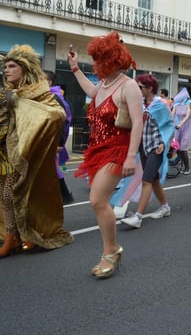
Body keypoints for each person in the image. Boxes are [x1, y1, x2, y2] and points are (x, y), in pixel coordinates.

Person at [68, 33, 143, 278]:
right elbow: (91, 89)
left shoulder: (128, 85)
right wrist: (75, 68)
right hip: (98, 149)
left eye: (101, 57)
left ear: (114, 57)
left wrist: (131, 155)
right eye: (95, 58)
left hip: (118, 149)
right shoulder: (103, 84)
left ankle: (111, 251)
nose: (97, 63)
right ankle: (111, 249)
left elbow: (138, 123)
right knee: (98, 201)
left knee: (97, 200)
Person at [0, 45, 73, 257]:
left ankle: (24, 235)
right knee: (6, 195)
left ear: (24, 68)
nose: (7, 70)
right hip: (4, 151)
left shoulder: (39, 92)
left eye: (12, 66)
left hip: (25, 153)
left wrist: (20, 105)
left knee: (13, 195)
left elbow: (55, 115)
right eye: (5, 66)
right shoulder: (6, 91)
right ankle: (15, 236)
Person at [120, 74, 174, 229]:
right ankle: (165, 207)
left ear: (150, 88)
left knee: (146, 180)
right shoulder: (140, 104)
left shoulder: (160, 104)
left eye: (140, 87)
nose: (138, 90)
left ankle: (138, 217)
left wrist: (164, 142)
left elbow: (169, 124)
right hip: (143, 146)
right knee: (154, 179)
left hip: (156, 147)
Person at [44, 70, 75, 205]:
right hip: (47, 138)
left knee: (52, 167)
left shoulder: (54, 97)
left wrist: (60, 142)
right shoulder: (47, 96)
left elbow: (62, 120)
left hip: (52, 139)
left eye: (40, 78)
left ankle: (65, 195)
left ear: (49, 82)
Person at [171, 87, 191, 175]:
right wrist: (171, 123)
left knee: (183, 148)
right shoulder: (176, 104)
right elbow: (172, 115)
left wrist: (180, 125)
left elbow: (188, 116)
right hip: (178, 127)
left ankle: (187, 167)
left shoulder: (189, 103)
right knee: (176, 147)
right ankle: (181, 161)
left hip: (187, 126)